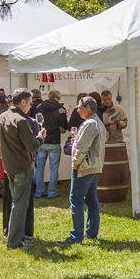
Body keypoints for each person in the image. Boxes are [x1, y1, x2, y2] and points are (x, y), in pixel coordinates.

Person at [0, 88, 46, 249]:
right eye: (29, 103)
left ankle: (16, 234)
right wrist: (41, 137)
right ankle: (14, 241)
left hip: (9, 165)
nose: (30, 106)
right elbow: (32, 146)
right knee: (20, 204)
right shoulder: (21, 120)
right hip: (21, 167)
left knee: (16, 202)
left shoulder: (2, 116)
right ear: (23, 102)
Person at [57, 95, 106, 246]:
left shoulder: (90, 124)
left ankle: (76, 236)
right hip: (94, 167)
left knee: (76, 200)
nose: (77, 110)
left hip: (84, 167)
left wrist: (75, 164)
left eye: (80, 107)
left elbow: (81, 148)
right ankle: (91, 233)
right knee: (91, 201)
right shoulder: (97, 122)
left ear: (89, 108)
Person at [35, 89, 69, 198]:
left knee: (39, 167)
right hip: (54, 140)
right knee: (54, 168)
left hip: (41, 140)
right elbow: (63, 129)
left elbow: (37, 123)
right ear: (58, 98)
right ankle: (52, 192)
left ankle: (39, 191)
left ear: (49, 96)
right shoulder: (61, 109)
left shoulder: (39, 107)